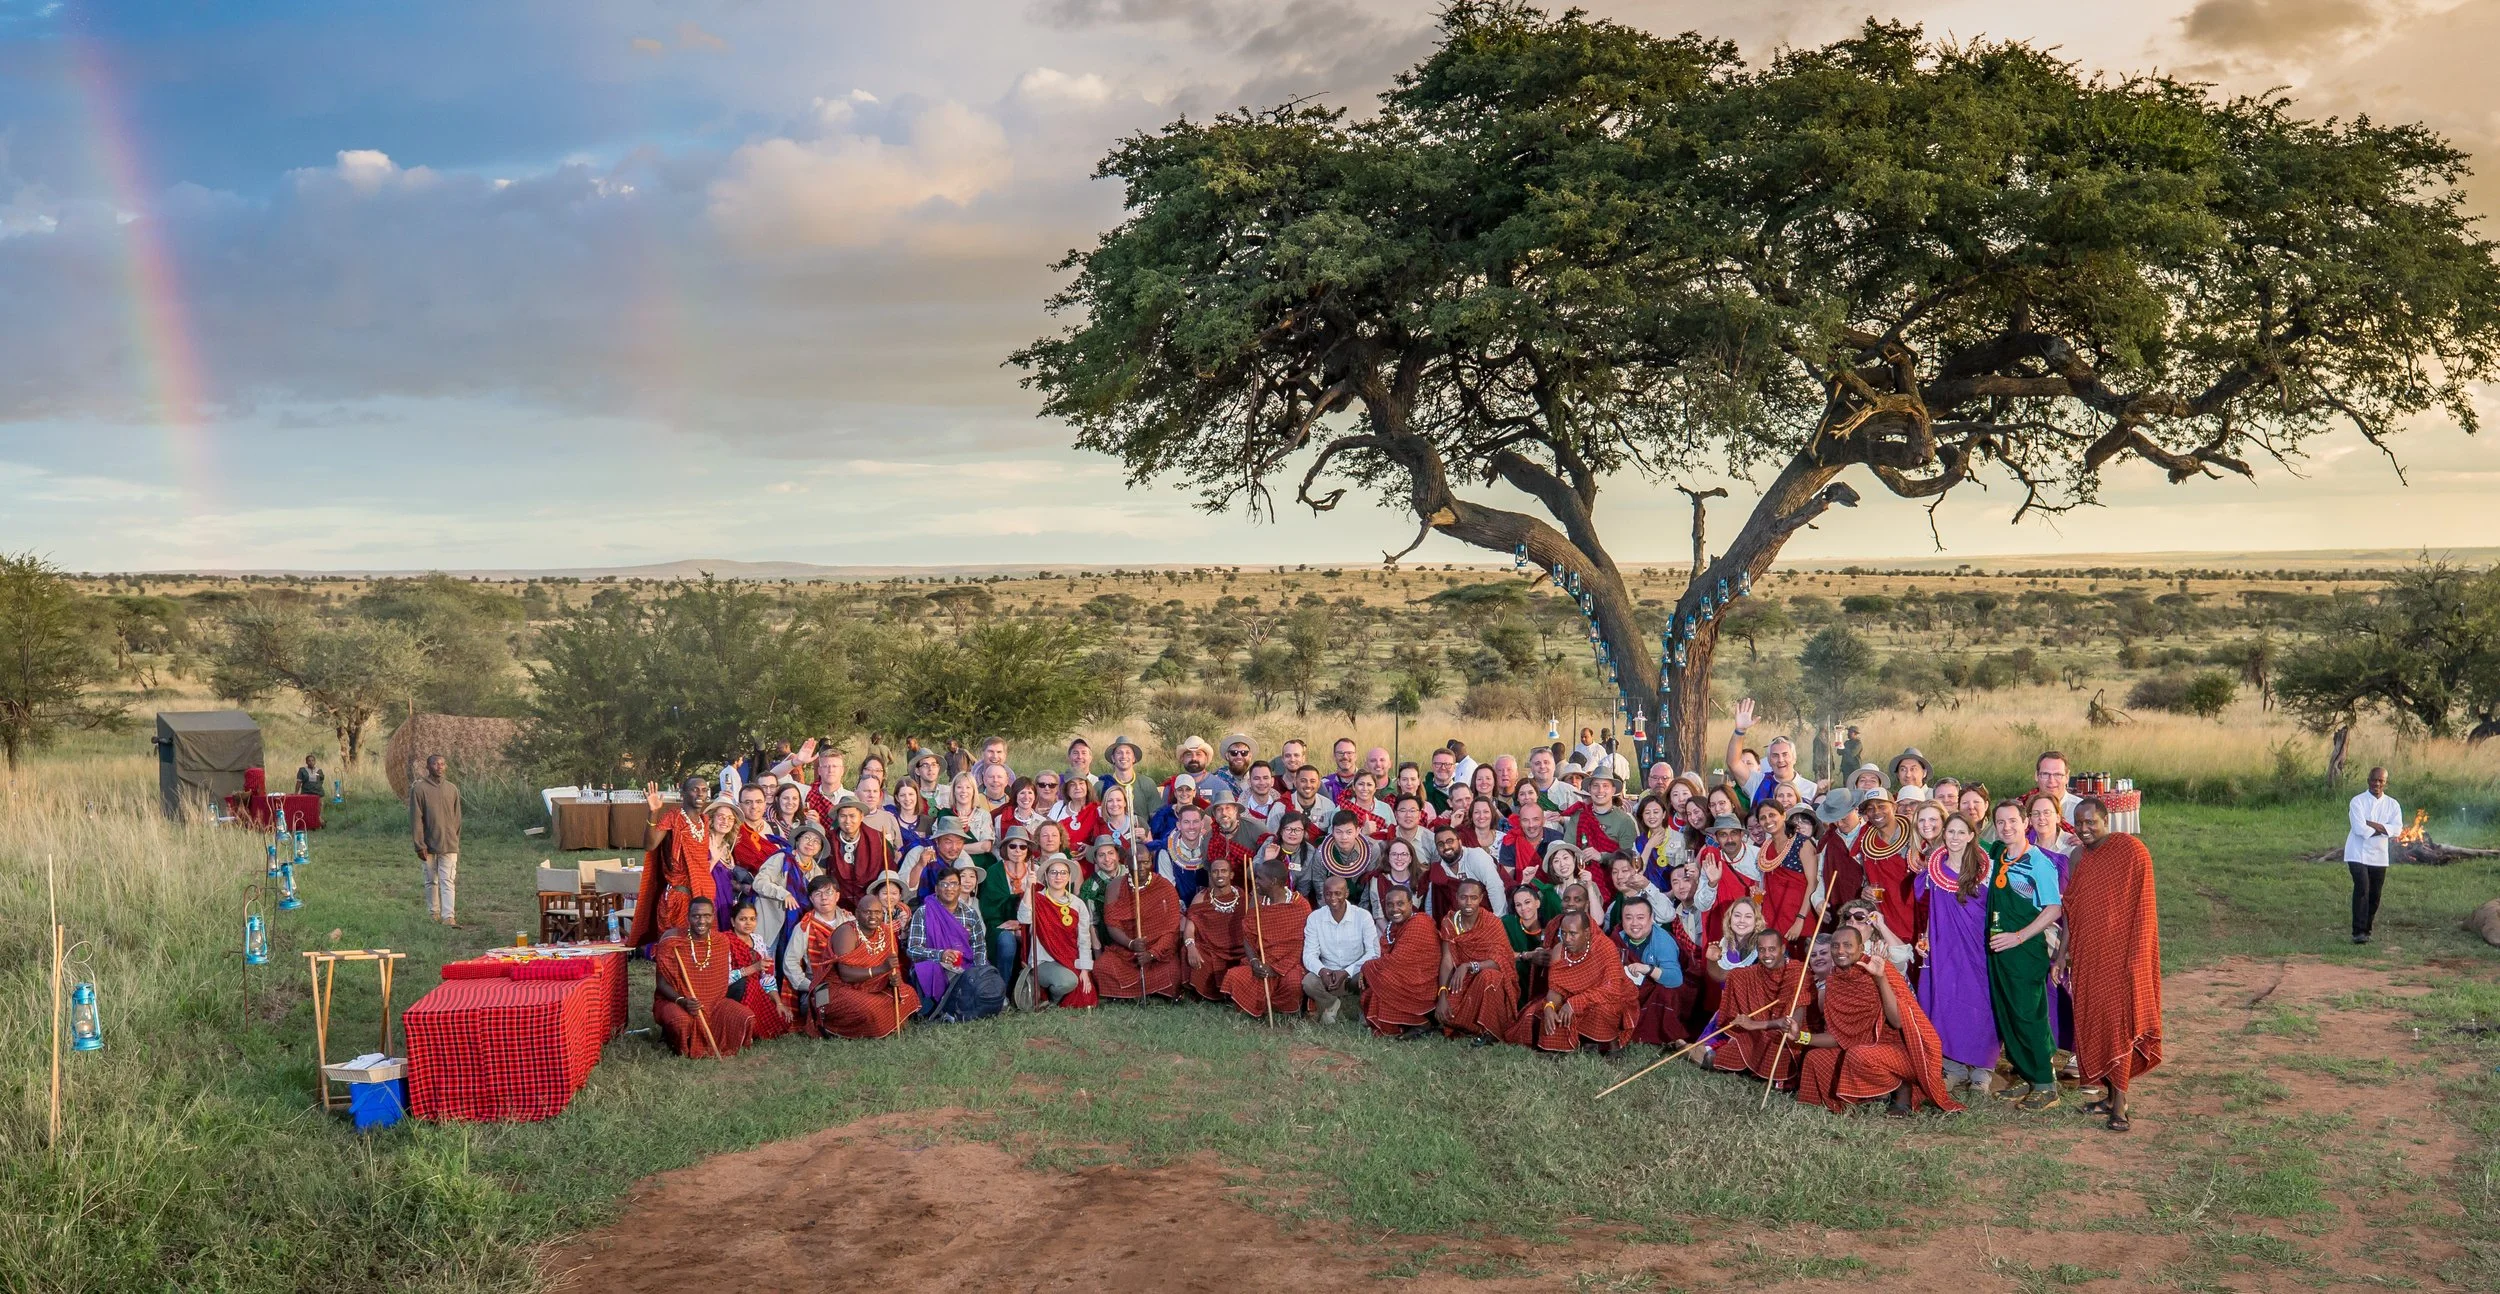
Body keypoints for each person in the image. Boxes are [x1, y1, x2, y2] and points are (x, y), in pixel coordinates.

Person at [2061, 799, 2164, 1132]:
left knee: (2118, 1025)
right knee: (2095, 1021)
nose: (2084, 829)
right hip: (2087, 955)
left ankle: (2120, 1106)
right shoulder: (2077, 857)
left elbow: (2144, 908)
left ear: (2107, 821)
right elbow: (2071, 909)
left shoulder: (2131, 851)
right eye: (2079, 823)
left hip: (2121, 957)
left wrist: (2138, 958)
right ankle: (2108, 1097)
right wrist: (2062, 954)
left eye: (2091, 822)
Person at [1791, 925, 1960, 1116]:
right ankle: (1866, 1097)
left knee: (1858, 1055)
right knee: (1816, 1058)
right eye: (1835, 946)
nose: (1840, 951)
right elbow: (1838, 1037)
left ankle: (1903, 1087)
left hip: (1903, 1053)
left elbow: (1897, 1021)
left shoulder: (1880, 967)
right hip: (1862, 1048)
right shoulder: (1834, 981)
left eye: (1848, 945)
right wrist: (1800, 1037)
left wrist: (1880, 978)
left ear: (1861, 948)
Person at [1985, 801, 2065, 1111]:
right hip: (1999, 949)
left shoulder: (2038, 862)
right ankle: (2026, 1074)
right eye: (2000, 822)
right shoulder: (1997, 854)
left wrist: (2018, 936)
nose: (2006, 827)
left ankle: (2045, 1084)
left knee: (2029, 1014)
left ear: (2025, 823)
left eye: (2012, 821)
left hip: (2024, 950)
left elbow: (2054, 908)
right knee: (2009, 1012)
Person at [1913, 811, 2000, 1094]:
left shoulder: (1987, 868)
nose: (1955, 837)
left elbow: (1997, 909)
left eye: (1962, 832)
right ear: (1943, 833)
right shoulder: (1933, 870)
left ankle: (1983, 1071)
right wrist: (1925, 939)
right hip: (1945, 946)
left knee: (1982, 1004)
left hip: (1979, 946)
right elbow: (1928, 910)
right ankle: (1954, 1068)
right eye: (1951, 831)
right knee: (1947, 1001)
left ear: (1972, 836)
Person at [1503, 911, 1636, 1054]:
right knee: (1549, 1014)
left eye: (1573, 934)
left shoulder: (1604, 947)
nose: (1567, 939)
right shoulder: (1559, 951)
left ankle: (1607, 1046)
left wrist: (1575, 1003)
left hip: (1607, 998)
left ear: (1586, 933)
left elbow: (1612, 988)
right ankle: (1574, 1044)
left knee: (1602, 1010)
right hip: (1571, 1000)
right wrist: (1549, 1006)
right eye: (1563, 933)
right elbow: (1555, 989)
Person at [651, 898, 755, 1057]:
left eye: (707, 916)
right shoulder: (672, 942)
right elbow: (661, 984)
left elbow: (720, 984)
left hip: (713, 1003)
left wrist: (707, 1003)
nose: (701, 921)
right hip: (678, 1001)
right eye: (696, 916)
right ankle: (675, 1042)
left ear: (713, 917)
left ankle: (710, 1037)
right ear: (688, 917)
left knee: (745, 1016)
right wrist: (682, 1001)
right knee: (680, 1021)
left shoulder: (720, 942)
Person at [819, 882, 920, 1039]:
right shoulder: (847, 932)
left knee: (908, 994)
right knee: (870, 1008)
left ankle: (887, 1024)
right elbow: (845, 975)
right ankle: (834, 1028)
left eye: (877, 912)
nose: (873, 917)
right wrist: (882, 969)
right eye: (867, 912)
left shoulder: (885, 931)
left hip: (873, 986)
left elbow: (893, 967)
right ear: (857, 913)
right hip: (838, 989)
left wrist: (895, 979)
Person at [907, 867, 1005, 1022]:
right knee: (926, 969)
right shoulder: (924, 912)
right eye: (944, 884)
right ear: (936, 889)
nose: (949, 888)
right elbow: (913, 949)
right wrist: (940, 955)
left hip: (965, 964)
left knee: (985, 973)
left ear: (959, 888)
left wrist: (977, 972)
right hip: (936, 964)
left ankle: (969, 1008)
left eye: (953, 884)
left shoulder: (970, 913)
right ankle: (936, 1012)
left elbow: (979, 946)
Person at [1706, 926, 1803, 1081]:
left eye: (1772, 949)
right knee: (1725, 1056)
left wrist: (1754, 1025)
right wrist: (1711, 961)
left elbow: (1796, 1020)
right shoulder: (1754, 971)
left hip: (1785, 1035)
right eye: (1762, 950)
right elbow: (1723, 976)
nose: (1767, 955)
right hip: (1756, 1033)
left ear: (1783, 949)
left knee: (1776, 1059)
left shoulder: (1798, 970)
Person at [1436, 878, 1520, 1045]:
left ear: (1481, 898)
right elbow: (1447, 960)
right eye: (1463, 897)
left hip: (1489, 979)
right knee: (1448, 1013)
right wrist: (1442, 995)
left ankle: (1490, 1031)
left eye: (1473, 898)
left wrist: (1469, 966)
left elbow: (1502, 960)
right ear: (1456, 897)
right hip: (1463, 980)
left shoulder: (1492, 922)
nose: (1468, 903)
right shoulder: (1450, 922)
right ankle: (1473, 1027)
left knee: (1490, 976)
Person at [1224, 860, 1312, 1019]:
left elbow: (1301, 945)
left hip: (1290, 965)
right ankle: (1258, 1006)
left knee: (1294, 983)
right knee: (1234, 976)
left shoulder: (1300, 905)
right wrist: (1254, 962)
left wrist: (1276, 969)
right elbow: (1248, 937)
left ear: (1273, 881)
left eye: (1259, 878)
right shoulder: (1257, 903)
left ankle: (1280, 1009)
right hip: (1261, 961)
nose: (1256, 882)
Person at [1097, 846, 1185, 1002]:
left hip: (1158, 952)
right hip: (1126, 950)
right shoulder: (1115, 886)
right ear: (1126, 862)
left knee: (1172, 972)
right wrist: (1131, 943)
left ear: (1151, 861)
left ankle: (1131, 992)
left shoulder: (1165, 887)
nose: (1141, 867)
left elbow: (1172, 929)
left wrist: (1152, 954)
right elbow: (1112, 924)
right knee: (1102, 967)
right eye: (1136, 863)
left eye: (1145, 862)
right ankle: (1145, 992)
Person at [1362, 887, 1443, 1039]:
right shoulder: (1392, 927)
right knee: (1377, 986)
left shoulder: (1420, 923)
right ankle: (1413, 1023)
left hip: (1425, 987)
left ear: (1411, 904)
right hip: (1404, 980)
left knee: (1382, 979)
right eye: (1390, 905)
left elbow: (1397, 961)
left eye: (1400, 903)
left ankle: (1421, 1022)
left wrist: (1367, 967)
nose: (1395, 909)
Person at [1018, 857, 1099, 1010]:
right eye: (1053, 872)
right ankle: (1053, 1001)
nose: (1058, 877)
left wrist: (1084, 970)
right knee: (1068, 982)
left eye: (1063, 873)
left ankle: (1055, 999)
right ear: (1046, 876)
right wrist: (1028, 887)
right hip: (1043, 961)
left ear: (1069, 877)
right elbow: (1024, 918)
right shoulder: (1036, 899)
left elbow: (1084, 939)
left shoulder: (1077, 904)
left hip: (1069, 958)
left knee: (1085, 995)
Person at [1302, 874, 1382, 1025]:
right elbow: (1309, 954)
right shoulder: (1314, 918)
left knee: (1372, 975)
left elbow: (1374, 953)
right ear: (1323, 895)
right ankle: (1331, 1003)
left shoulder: (1363, 916)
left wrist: (1346, 972)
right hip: (1329, 976)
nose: (1333, 898)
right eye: (1328, 894)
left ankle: (1365, 1009)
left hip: (1356, 974)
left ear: (1346, 893)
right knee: (1309, 982)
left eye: (1338, 893)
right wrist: (1322, 971)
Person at [1616, 896, 1694, 1046]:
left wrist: (1648, 969)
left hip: (1652, 994)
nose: (1634, 923)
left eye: (1640, 918)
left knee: (1665, 992)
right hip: (1626, 990)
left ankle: (1661, 1034)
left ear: (1651, 918)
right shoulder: (1617, 937)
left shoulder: (1662, 941)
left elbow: (1675, 979)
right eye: (1628, 918)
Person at [2344, 766, 2402, 944]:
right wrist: (2384, 829)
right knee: (2362, 889)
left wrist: (2372, 824)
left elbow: (2397, 830)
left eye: (2380, 781)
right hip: (2357, 853)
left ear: (2386, 783)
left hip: (2379, 855)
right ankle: (2358, 932)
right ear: (2368, 780)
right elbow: (2359, 829)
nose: (2377, 783)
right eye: (2374, 780)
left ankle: (2367, 929)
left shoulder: (2392, 804)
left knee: (2375, 895)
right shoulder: (2357, 801)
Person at [722, 900, 794, 1041]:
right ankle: (743, 1027)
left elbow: (767, 976)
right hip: (733, 991)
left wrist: (778, 1003)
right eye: (743, 919)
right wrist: (752, 969)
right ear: (732, 921)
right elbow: (722, 979)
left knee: (781, 1019)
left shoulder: (758, 940)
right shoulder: (725, 941)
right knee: (749, 984)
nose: (748, 923)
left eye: (752, 919)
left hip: (757, 990)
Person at [1182, 859, 1247, 1001]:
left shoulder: (1244, 897)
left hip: (1238, 951)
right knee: (1187, 951)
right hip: (1211, 950)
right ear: (1210, 875)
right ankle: (1200, 993)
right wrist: (1191, 947)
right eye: (1215, 871)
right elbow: (1189, 928)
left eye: (1224, 871)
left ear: (1231, 875)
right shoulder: (1201, 898)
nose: (1219, 875)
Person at [410, 753, 462, 926]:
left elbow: (457, 818)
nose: (439, 767)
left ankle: (449, 917)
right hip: (428, 843)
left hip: (449, 843)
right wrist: (419, 844)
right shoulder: (419, 789)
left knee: (448, 880)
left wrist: (454, 839)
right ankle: (434, 913)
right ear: (428, 766)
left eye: (442, 764)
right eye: (435, 764)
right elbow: (416, 818)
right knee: (431, 880)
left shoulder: (452, 789)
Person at [824, 800, 894, 907]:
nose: (847, 821)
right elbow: (822, 873)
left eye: (852, 816)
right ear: (837, 818)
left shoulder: (877, 838)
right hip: (837, 903)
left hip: (872, 902)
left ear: (861, 817)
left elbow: (889, 871)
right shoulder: (829, 839)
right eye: (843, 816)